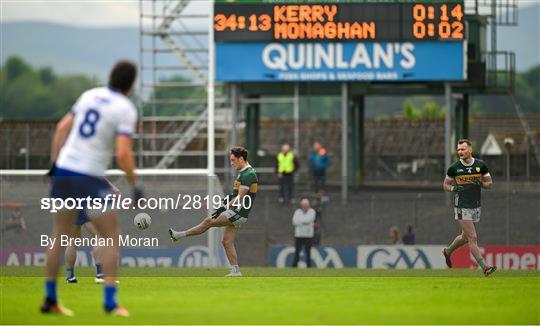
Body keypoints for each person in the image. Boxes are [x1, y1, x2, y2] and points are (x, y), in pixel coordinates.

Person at [41, 60, 140, 316]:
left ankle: (50, 299)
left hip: (64, 171)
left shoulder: (89, 95)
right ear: (130, 85)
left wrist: (54, 163)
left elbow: (61, 127)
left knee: (59, 236)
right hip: (88, 175)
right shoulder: (125, 108)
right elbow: (123, 153)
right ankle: (110, 302)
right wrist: (134, 183)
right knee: (110, 236)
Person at [169, 146, 258, 277]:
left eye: (233, 160)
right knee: (226, 241)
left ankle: (179, 235)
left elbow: (240, 198)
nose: (231, 163)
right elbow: (234, 195)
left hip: (238, 212)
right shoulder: (244, 173)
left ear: (241, 159)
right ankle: (235, 271)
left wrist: (224, 208)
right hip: (236, 211)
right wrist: (223, 203)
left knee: (208, 221)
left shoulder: (248, 174)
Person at [442, 139, 496, 277]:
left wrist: (481, 184)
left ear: (470, 150)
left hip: (475, 205)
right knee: (473, 238)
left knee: (465, 237)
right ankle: (485, 267)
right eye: (459, 149)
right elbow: (445, 185)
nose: (460, 152)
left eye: (463, 149)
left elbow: (489, 184)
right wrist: (454, 187)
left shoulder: (480, 165)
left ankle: (448, 251)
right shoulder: (454, 168)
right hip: (461, 205)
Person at [292, 198, 316, 268]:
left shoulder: (312, 211)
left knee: (308, 251)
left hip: (308, 235)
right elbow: (294, 222)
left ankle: (308, 265)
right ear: (301, 205)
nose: (305, 206)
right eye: (304, 205)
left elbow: (309, 219)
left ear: (309, 205)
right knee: (297, 251)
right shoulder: (297, 212)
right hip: (298, 235)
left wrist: (301, 222)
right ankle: (294, 265)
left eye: (306, 205)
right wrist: (305, 222)